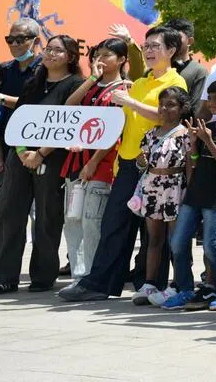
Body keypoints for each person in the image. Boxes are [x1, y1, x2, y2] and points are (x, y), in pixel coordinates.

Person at [59, 26, 187, 302]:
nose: (150, 51)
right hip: (128, 163)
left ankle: (149, 284)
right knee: (115, 224)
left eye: (156, 46)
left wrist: (130, 101)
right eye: (147, 46)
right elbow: (121, 123)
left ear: (171, 51)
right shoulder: (139, 83)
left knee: (154, 231)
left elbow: (165, 116)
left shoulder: (175, 82)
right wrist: (87, 142)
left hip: (157, 166)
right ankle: (100, 283)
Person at [0, 34, 82, 293]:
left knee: (47, 216)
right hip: (19, 156)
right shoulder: (34, 82)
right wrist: (22, 152)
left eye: (58, 50)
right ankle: (4, 275)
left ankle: (43, 276)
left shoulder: (74, 85)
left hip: (52, 158)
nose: (50, 54)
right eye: (48, 49)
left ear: (71, 57)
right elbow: (19, 120)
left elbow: (69, 124)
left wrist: (40, 154)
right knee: (8, 212)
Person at [163, 83, 216, 310]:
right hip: (195, 193)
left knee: (211, 245)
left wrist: (208, 140)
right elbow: (197, 161)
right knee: (178, 242)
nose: (211, 103)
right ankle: (186, 290)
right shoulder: (206, 126)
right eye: (209, 98)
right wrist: (193, 145)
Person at [60, 37, 128, 284]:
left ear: (122, 59)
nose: (101, 58)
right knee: (72, 220)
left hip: (102, 165)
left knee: (92, 222)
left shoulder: (124, 90)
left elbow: (114, 131)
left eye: (108, 54)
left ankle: (92, 275)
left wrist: (93, 162)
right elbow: (69, 106)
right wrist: (92, 77)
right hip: (75, 162)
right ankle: (79, 274)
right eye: (98, 53)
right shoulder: (92, 85)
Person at [132, 86, 192, 306]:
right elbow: (142, 165)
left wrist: (190, 194)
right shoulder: (150, 134)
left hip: (175, 189)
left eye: (171, 104)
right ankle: (150, 283)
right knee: (154, 239)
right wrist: (141, 161)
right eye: (162, 104)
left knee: (176, 241)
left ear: (182, 108)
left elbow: (189, 166)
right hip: (152, 188)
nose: (165, 108)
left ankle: (178, 284)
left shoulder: (186, 134)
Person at [112, 18, 208, 112]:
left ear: (190, 41)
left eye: (177, 37)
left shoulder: (197, 71)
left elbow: (191, 109)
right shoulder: (150, 72)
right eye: (146, 46)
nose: (173, 40)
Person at [0, 18, 42, 190]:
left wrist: (0, 97)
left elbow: (35, 108)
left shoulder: (46, 72)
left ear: (36, 41)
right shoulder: (4, 70)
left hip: (35, 150)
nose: (13, 44)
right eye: (10, 40)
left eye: (20, 40)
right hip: (6, 147)